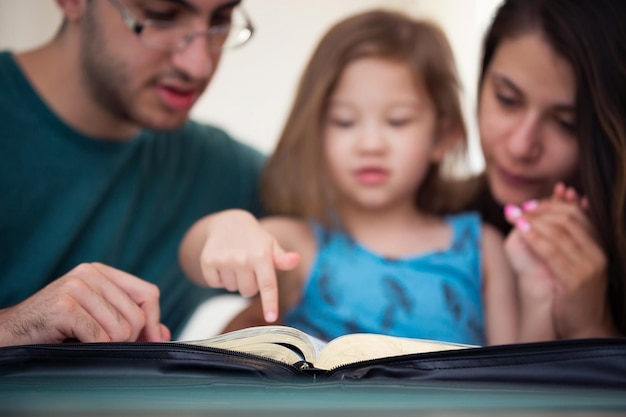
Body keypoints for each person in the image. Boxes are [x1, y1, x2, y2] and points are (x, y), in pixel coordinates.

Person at [180, 10, 518, 346]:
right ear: (317, 134)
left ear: (444, 135)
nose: (370, 145)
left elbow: (516, 374)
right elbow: (194, 259)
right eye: (344, 122)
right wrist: (226, 226)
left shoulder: (483, 249)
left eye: (398, 121)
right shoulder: (296, 246)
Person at [0, 0, 265, 347]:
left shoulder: (224, 169)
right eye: (160, 17)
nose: (198, 66)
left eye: (221, 19)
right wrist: (16, 326)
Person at [453, 0, 626, 340]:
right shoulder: (438, 217)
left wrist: (592, 327)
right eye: (507, 99)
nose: (521, 146)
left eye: (566, 123)